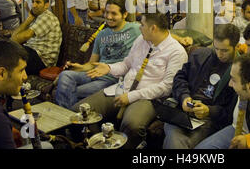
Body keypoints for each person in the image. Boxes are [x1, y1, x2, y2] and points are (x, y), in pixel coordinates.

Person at [72, 13, 188, 149]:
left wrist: (131, 96)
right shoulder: (141, 39)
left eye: (142, 25)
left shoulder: (176, 52)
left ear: (153, 28)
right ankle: (99, 144)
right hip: (124, 88)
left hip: (148, 97)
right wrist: (109, 68)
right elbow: (126, 64)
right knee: (79, 113)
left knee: (132, 124)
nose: (139, 28)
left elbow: (167, 87)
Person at [55, 0, 141, 109]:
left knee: (73, 91)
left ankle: (69, 122)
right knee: (65, 75)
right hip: (94, 73)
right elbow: (92, 64)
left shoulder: (135, 29)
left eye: (114, 14)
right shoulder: (101, 34)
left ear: (124, 14)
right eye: (106, 12)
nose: (109, 17)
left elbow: (161, 33)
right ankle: (67, 118)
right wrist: (77, 67)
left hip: (113, 79)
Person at [163, 24, 239, 149]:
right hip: (184, 112)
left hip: (209, 120)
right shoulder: (199, 55)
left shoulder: (239, 72)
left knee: (176, 141)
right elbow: (179, 79)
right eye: (216, 48)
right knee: (174, 135)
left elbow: (231, 113)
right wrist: (184, 97)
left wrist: (209, 111)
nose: (219, 54)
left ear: (236, 47)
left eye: (225, 50)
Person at [0, 38, 52, 149]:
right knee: (48, 146)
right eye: (21, 70)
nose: (25, 76)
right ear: (1, 74)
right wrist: (2, 129)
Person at [11, 0, 62, 75]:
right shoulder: (37, 16)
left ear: (46, 5)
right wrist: (29, 19)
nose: (34, 5)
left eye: (38, 2)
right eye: (33, 2)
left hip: (42, 61)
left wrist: (13, 41)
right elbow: (14, 37)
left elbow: (16, 39)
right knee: (6, 51)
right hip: (32, 53)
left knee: (8, 53)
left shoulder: (46, 17)